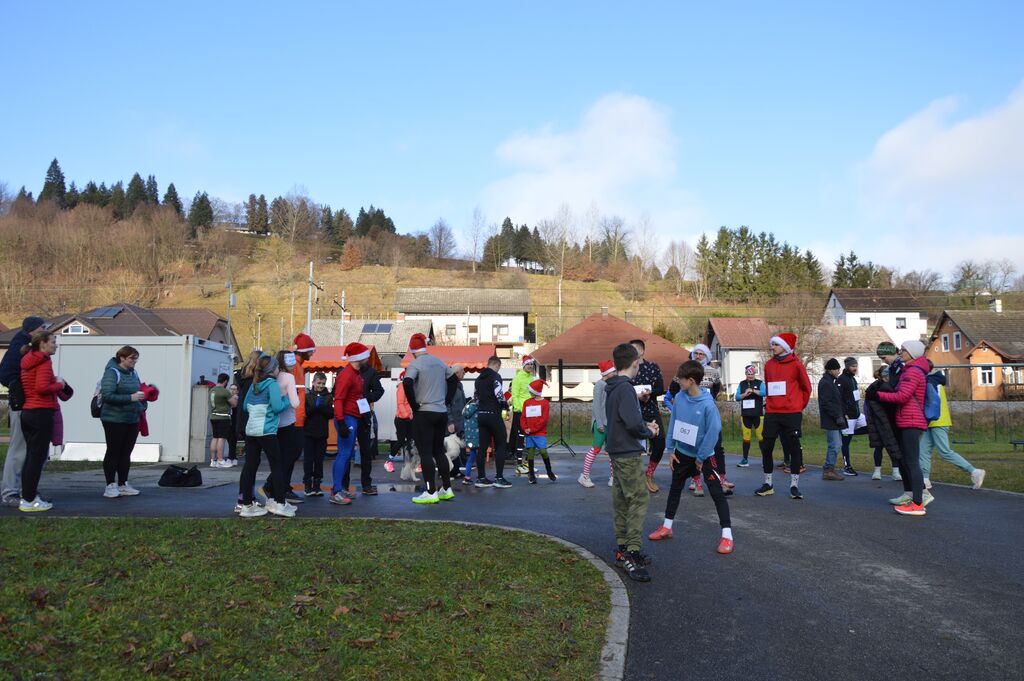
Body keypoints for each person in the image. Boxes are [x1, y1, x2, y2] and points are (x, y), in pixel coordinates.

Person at [648, 360, 734, 554]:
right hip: (682, 454)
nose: (677, 381)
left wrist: (701, 458)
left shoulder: (707, 405)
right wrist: (671, 450)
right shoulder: (680, 397)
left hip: (705, 457)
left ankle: (727, 536)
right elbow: (674, 422)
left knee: (717, 493)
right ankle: (667, 527)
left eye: (680, 379)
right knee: (675, 488)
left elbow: (713, 432)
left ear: (692, 381)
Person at [606, 342, 658, 583]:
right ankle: (632, 552)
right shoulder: (626, 388)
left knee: (622, 499)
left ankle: (622, 547)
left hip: (617, 451)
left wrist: (643, 425)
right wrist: (649, 431)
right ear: (635, 363)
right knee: (638, 498)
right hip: (627, 452)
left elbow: (623, 419)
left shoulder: (613, 387)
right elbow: (632, 424)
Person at [871, 340, 932, 515]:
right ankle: (913, 497)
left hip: (911, 420)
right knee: (907, 460)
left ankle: (918, 503)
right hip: (908, 419)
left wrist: (878, 395)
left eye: (903, 350)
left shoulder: (913, 371)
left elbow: (902, 396)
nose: (900, 352)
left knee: (912, 462)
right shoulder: (910, 369)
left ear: (912, 353)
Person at [754, 333, 811, 500]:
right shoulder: (768, 365)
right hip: (772, 412)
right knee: (766, 447)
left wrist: (797, 406)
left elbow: (807, 388)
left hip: (791, 413)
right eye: (772, 344)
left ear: (785, 347)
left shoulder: (797, 365)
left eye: (775, 344)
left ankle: (794, 486)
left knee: (794, 448)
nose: (772, 347)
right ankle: (768, 484)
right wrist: (770, 404)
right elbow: (769, 386)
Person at [403, 333, 457, 503]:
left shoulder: (415, 364)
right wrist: (447, 400)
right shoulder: (439, 362)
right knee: (439, 451)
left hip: (424, 412)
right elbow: (454, 379)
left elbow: (407, 382)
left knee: (425, 453)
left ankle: (430, 491)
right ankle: (446, 488)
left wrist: (414, 405)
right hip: (441, 412)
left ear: (412, 350)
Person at [238, 353, 293, 518]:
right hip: (267, 431)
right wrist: (287, 400)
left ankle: (247, 505)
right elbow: (277, 407)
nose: (278, 370)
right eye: (277, 367)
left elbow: (245, 406)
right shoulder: (272, 385)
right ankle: (280, 503)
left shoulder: (254, 384)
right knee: (277, 466)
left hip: (251, 431)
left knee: (250, 466)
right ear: (272, 370)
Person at [1, 315, 46, 506]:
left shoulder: (23, 345)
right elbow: (6, 374)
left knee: (29, 450)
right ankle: (10, 491)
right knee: (19, 449)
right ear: (32, 330)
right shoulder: (20, 347)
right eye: (42, 327)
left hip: (27, 404)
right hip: (23, 404)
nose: (45, 330)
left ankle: (25, 490)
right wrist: (23, 388)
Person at [920, 362, 985, 491]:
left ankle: (974, 471)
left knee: (945, 451)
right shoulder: (933, 379)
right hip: (930, 420)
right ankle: (925, 479)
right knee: (923, 451)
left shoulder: (930, 380)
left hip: (938, 421)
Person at [17, 331, 63, 512]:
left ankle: (27, 495)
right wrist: (60, 384)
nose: (55, 345)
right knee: (37, 458)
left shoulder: (28, 360)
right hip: (41, 412)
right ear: (42, 344)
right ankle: (29, 500)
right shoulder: (44, 361)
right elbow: (42, 387)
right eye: (53, 342)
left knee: (31, 457)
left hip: (28, 411)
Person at [100, 345, 150, 499]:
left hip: (131, 417)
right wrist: (130, 398)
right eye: (131, 358)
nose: (134, 361)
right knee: (113, 451)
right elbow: (107, 395)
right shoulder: (112, 373)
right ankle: (110, 485)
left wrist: (143, 401)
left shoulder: (134, 373)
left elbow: (138, 391)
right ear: (122, 358)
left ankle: (123, 484)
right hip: (113, 419)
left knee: (126, 452)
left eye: (136, 358)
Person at [688, 344, 733, 495]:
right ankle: (696, 480)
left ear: (707, 357)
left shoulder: (713, 372)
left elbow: (715, 390)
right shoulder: (687, 370)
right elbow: (676, 390)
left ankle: (721, 478)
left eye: (701, 354)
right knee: (693, 448)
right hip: (692, 415)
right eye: (696, 353)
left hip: (709, 414)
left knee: (717, 447)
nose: (698, 356)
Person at [259, 351, 302, 505]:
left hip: (271, 424)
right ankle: (272, 488)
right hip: (287, 423)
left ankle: (276, 490)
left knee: (278, 459)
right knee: (288, 458)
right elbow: (295, 403)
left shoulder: (267, 378)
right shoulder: (289, 377)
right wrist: (290, 398)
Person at [330, 342, 368, 506]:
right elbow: (338, 399)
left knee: (347, 454)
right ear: (358, 357)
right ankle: (336, 491)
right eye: (365, 356)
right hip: (346, 418)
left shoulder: (355, 374)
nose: (367, 359)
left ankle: (339, 488)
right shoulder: (347, 375)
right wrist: (341, 422)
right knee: (344, 454)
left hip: (352, 417)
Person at [630, 340, 666, 495]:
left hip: (651, 410)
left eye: (635, 349)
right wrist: (636, 395)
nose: (632, 352)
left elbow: (660, 388)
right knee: (633, 446)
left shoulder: (652, 367)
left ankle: (649, 474)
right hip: (633, 411)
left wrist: (649, 394)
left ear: (642, 351)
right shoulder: (628, 369)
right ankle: (634, 478)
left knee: (660, 442)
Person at [473, 356, 510, 488]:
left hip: (481, 414)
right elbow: (499, 394)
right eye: (499, 367)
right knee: (501, 444)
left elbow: (476, 397)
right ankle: (499, 478)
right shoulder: (495, 376)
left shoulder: (478, 379)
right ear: (496, 365)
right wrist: (505, 406)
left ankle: (481, 478)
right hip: (493, 414)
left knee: (482, 447)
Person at [580, 360, 615, 488]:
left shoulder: (612, 384)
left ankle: (613, 477)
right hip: (601, 422)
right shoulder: (599, 385)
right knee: (595, 449)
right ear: (607, 373)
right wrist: (599, 423)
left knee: (612, 451)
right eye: (613, 371)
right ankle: (584, 476)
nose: (615, 373)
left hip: (610, 423)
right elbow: (596, 406)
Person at [353, 356, 385, 495]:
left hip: (363, 412)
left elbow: (379, 391)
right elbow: (336, 391)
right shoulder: (345, 371)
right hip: (349, 414)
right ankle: (342, 486)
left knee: (366, 451)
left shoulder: (370, 372)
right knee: (346, 452)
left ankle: (366, 484)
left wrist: (366, 398)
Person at [864, 365, 901, 481]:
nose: (888, 378)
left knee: (891, 446)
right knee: (882, 446)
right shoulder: (876, 387)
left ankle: (892, 471)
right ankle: (880, 471)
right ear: (883, 376)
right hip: (879, 420)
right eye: (886, 376)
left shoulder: (879, 387)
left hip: (885, 420)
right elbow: (867, 407)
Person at [873, 342, 903, 482]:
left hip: (895, 417)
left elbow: (900, 394)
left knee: (895, 447)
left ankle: (896, 472)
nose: (883, 361)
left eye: (884, 358)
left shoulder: (901, 368)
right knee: (879, 446)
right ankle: (877, 470)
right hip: (882, 418)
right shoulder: (876, 386)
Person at [303, 371, 333, 496]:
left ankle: (317, 485)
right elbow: (305, 413)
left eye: (323, 383)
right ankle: (307, 485)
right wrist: (314, 407)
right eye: (319, 383)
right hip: (308, 433)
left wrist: (322, 407)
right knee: (308, 460)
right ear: (313, 382)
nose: (321, 385)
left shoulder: (328, 396)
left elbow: (330, 414)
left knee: (319, 460)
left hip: (322, 433)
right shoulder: (307, 396)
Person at [521, 378, 555, 483]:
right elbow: (523, 417)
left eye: (531, 391)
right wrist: (525, 428)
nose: (529, 392)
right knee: (530, 453)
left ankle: (549, 471)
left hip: (539, 433)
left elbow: (543, 420)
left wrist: (532, 429)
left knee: (543, 451)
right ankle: (531, 475)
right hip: (529, 433)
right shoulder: (527, 402)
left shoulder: (545, 403)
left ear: (536, 391)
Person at [819, 359, 847, 482]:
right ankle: (828, 470)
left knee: (837, 444)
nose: (838, 372)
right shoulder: (826, 383)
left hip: (834, 419)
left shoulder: (829, 382)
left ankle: (829, 468)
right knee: (834, 445)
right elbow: (826, 403)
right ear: (831, 370)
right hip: (831, 420)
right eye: (837, 369)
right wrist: (837, 416)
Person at [510, 355, 537, 474]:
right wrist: (519, 409)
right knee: (520, 438)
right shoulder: (517, 378)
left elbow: (535, 394)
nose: (530, 366)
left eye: (531, 364)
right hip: (521, 412)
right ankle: (519, 465)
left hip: (532, 412)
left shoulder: (532, 378)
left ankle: (527, 463)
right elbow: (515, 395)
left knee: (531, 438)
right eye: (528, 364)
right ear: (523, 366)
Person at [734, 364, 765, 467]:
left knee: (761, 437)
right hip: (746, 415)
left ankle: (765, 460)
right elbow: (737, 397)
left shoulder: (759, 383)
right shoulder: (742, 383)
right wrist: (744, 394)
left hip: (758, 414)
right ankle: (745, 460)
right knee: (746, 437)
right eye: (748, 374)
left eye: (752, 374)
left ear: (754, 374)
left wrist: (752, 390)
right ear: (746, 374)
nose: (750, 376)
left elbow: (764, 392)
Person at [836, 357, 862, 476]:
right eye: (853, 366)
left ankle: (848, 433)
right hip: (848, 417)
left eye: (856, 366)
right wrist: (843, 413)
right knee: (845, 442)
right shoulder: (841, 379)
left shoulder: (853, 379)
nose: (855, 368)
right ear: (847, 367)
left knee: (872, 427)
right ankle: (847, 467)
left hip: (857, 414)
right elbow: (838, 398)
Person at [446, 366, 468, 480]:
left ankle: (456, 470)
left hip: (459, 420)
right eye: (463, 372)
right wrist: (450, 421)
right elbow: (447, 404)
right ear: (457, 373)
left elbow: (461, 402)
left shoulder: (459, 384)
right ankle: (447, 472)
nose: (464, 374)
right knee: (450, 448)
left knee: (456, 448)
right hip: (453, 422)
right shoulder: (449, 384)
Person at [209, 373, 234, 468]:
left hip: (213, 416)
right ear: (226, 381)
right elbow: (234, 404)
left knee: (215, 437)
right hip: (223, 417)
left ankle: (213, 461)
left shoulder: (212, 390)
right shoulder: (225, 391)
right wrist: (235, 397)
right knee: (221, 438)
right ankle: (220, 460)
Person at [461, 396, 480, 484]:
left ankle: (467, 476)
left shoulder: (467, 409)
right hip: (477, 436)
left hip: (469, 437)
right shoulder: (477, 409)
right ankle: (481, 476)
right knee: (479, 456)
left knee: (471, 457)